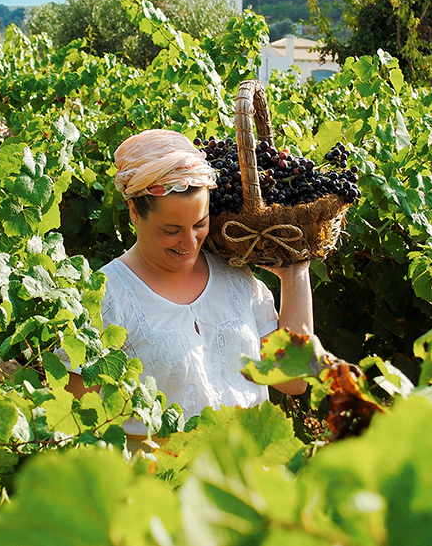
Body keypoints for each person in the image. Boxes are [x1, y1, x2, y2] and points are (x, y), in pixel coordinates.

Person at [66, 129, 312, 446]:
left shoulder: (235, 277)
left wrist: (295, 275)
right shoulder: (106, 296)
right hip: (160, 486)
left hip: (249, 480)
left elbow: (293, 379)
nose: (189, 242)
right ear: (133, 213)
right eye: (171, 230)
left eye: (199, 224)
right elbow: (75, 421)